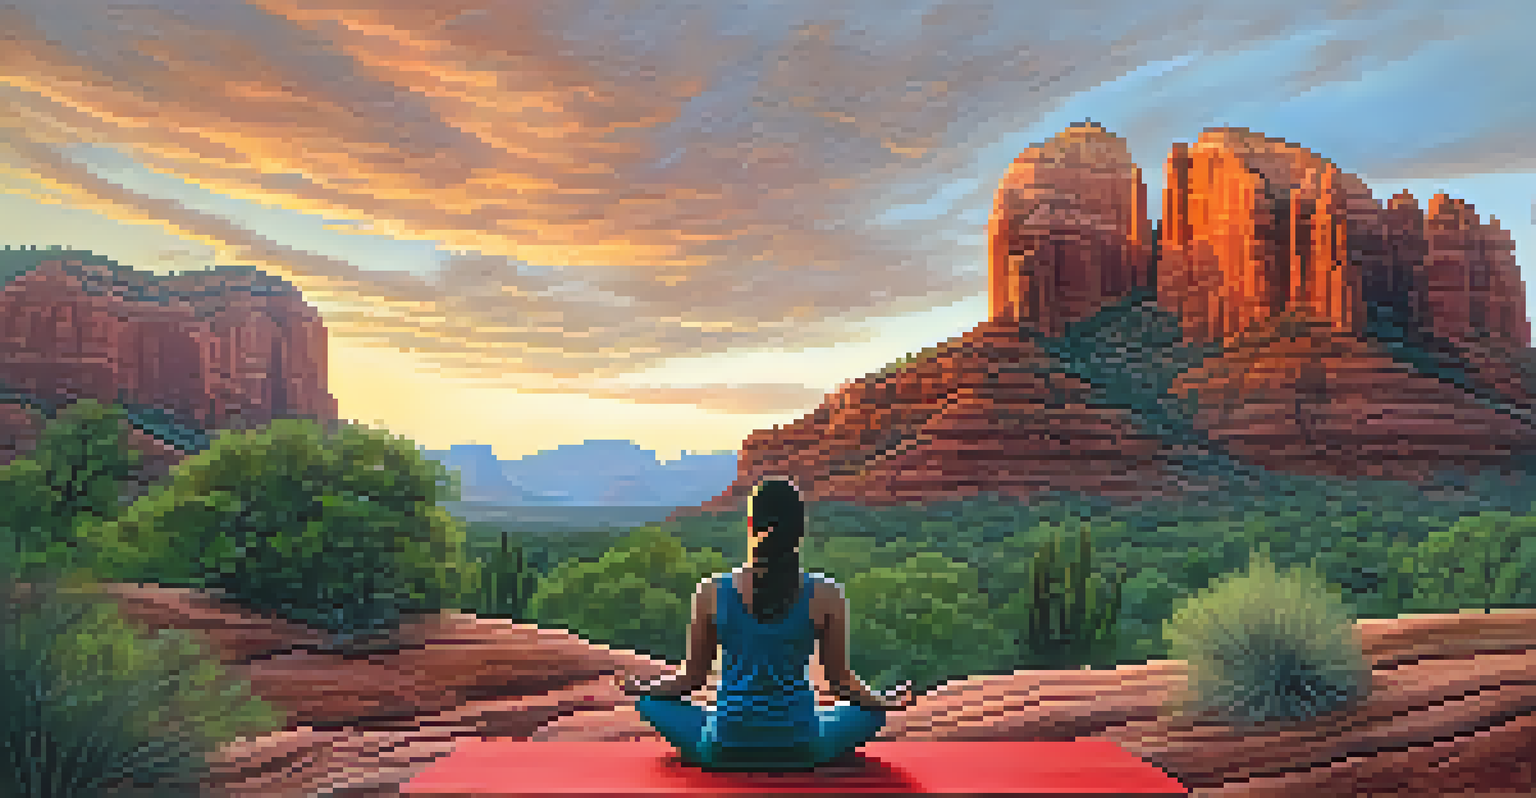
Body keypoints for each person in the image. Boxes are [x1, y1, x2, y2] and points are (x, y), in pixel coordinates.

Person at [614, 475, 915, 771]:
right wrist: (881, 701)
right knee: (869, 714)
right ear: (801, 530)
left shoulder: (711, 591)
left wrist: (645, 687)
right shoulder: (826, 593)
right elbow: (840, 683)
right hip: (801, 747)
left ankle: (724, 728)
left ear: (750, 525)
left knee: (650, 703)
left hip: (725, 746)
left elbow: (691, 680)